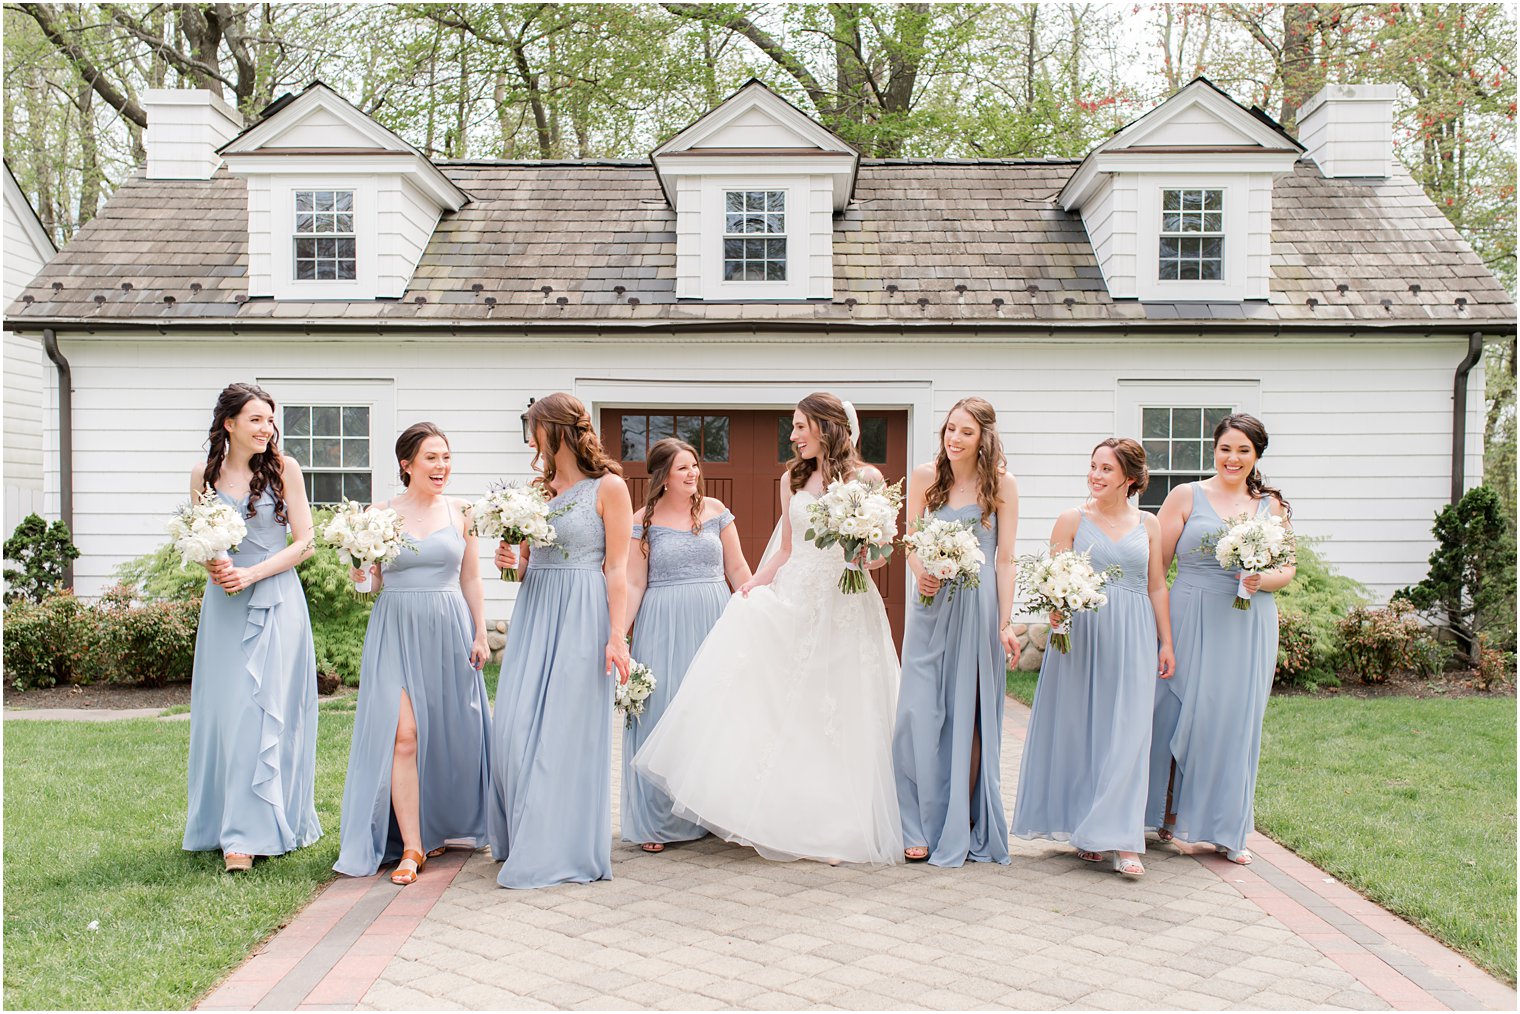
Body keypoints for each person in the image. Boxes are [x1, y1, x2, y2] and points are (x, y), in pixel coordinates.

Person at [634, 392, 903, 866]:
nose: (793, 435)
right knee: (797, 708)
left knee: (845, 707)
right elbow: (785, 549)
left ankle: (844, 823)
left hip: (847, 600)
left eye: (800, 426)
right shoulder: (792, 477)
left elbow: (881, 554)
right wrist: (752, 588)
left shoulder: (867, 479)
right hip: (800, 594)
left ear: (825, 426)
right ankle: (795, 816)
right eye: (793, 427)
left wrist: (865, 553)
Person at [333, 423, 492, 884]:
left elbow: (471, 578)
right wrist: (359, 568)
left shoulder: (462, 510)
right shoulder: (379, 513)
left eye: (446, 457)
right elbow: (370, 584)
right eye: (431, 458)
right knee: (403, 735)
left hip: (448, 626)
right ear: (406, 464)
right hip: (395, 627)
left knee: (446, 733)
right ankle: (412, 846)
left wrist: (480, 633)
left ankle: (440, 826)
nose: (441, 466)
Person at [489, 393, 633, 888]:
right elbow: (529, 561)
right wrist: (513, 563)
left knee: (564, 731)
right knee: (513, 727)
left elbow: (617, 568)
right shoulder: (536, 490)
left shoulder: (609, 487)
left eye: (536, 428)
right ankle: (525, 830)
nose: (532, 438)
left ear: (557, 430)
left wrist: (617, 636)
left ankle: (558, 848)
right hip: (535, 610)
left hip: (581, 610)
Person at [1012, 438, 1175, 876]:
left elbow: (1157, 584)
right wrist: (1058, 613)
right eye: (1093, 467)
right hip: (1083, 634)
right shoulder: (1071, 519)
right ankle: (1088, 827)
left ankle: (1124, 840)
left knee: (1129, 731)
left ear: (1130, 478)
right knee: (1085, 728)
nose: (1096, 476)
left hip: (1134, 632)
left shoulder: (1150, 524)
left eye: (1106, 469)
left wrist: (1166, 642)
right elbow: (1053, 580)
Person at [183, 383, 322, 872]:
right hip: (225, 606)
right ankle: (228, 825)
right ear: (229, 424)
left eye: (269, 420)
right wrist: (216, 569)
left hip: (277, 599)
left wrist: (254, 573)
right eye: (256, 420)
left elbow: (305, 543)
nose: (266, 430)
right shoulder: (204, 474)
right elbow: (199, 540)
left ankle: (252, 833)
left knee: (267, 710)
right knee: (231, 713)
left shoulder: (286, 470)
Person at [1147, 414, 1294, 865]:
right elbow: (1158, 568)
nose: (1233, 458)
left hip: (1247, 621)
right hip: (1190, 612)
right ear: (1214, 449)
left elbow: (1286, 570)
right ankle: (1160, 816)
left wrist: (1259, 580)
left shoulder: (1271, 507)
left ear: (1256, 456)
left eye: (1243, 451)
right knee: (1172, 711)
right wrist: (1161, 634)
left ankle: (1228, 830)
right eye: (1226, 448)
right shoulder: (1185, 496)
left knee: (1234, 720)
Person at [892, 397, 1021, 867]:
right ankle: (916, 823)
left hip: (977, 607)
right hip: (930, 605)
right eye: (949, 429)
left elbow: (1004, 559)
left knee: (966, 720)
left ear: (983, 436)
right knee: (917, 714)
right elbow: (910, 539)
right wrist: (919, 569)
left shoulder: (1003, 486)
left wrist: (1005, 622)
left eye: (965, 432)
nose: (954, 439)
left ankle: (957, 822)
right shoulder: (927, 477)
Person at [623, 438, 752, 853]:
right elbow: (634, 582)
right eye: (683, 468)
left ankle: (711, 812)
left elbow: (737, 568)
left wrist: (751, 614)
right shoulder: (642, 520)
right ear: (662, 476)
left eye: (695, 465)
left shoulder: (715, 512)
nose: (693, 473)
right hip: (662, 621)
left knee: (713, 711)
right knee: (661, 711)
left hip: (714, 618)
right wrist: (618, 637)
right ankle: (657, 822)